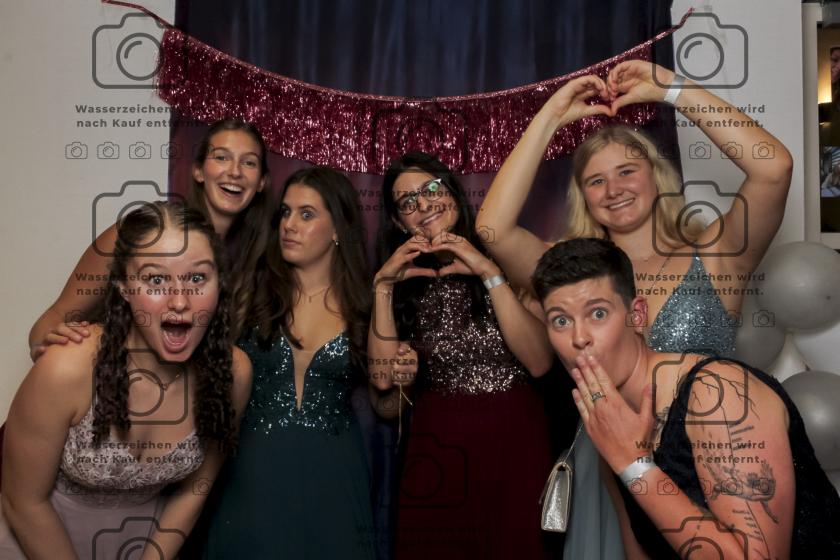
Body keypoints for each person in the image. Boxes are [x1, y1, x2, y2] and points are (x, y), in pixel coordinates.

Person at [477, 59, 793, 558]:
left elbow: (774, 168)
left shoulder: (716, 256)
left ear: (655, 175)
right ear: (583, 196)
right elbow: (492, 229)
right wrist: (550, 116)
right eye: (595, 181)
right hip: (610, 466)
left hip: (713, 457)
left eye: (627, 170)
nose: (614, 189)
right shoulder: (573, 275)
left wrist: (672, 89)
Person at [532, 237, 840, 558]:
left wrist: (635, 466)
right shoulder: (611, 423)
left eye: (598, 313)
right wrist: (627, 462)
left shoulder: (718, 393)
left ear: (637, 315)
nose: (579, 338)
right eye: (561, 320)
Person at [0, 202, 252, 559]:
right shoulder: (67, 368)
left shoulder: (233, 374)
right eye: (156, 279)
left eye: (197, 279)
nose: (180, 301)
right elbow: (23, 501)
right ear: (122, 286)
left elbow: (195, 490)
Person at [369, 151, 555, 559]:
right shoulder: (403, 284)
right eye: (407, 202)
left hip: (515, 439)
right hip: (438, 445)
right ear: (399, 223)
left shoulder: (504, 253)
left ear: (453, 192)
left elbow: (541, 362)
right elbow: (382, 382)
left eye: (432, 189)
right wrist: (383, 286)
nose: (424, 205)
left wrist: (489, 273)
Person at [200, 167, 379, 559]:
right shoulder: (250, 291)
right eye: (285, 212)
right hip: (252, 472)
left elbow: (389, 403)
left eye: (306, 214)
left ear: (338, 229)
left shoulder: (367, 305)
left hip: (334, 477)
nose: (289, 225)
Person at [28, 118, 273, 359]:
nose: (235, 172)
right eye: (221, 157)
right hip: (110, 379)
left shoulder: (256, 265)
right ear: (198, 171)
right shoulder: (137, 235)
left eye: (249, 162)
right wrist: (52, 348)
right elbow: (49, 322)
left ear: (261, 182)